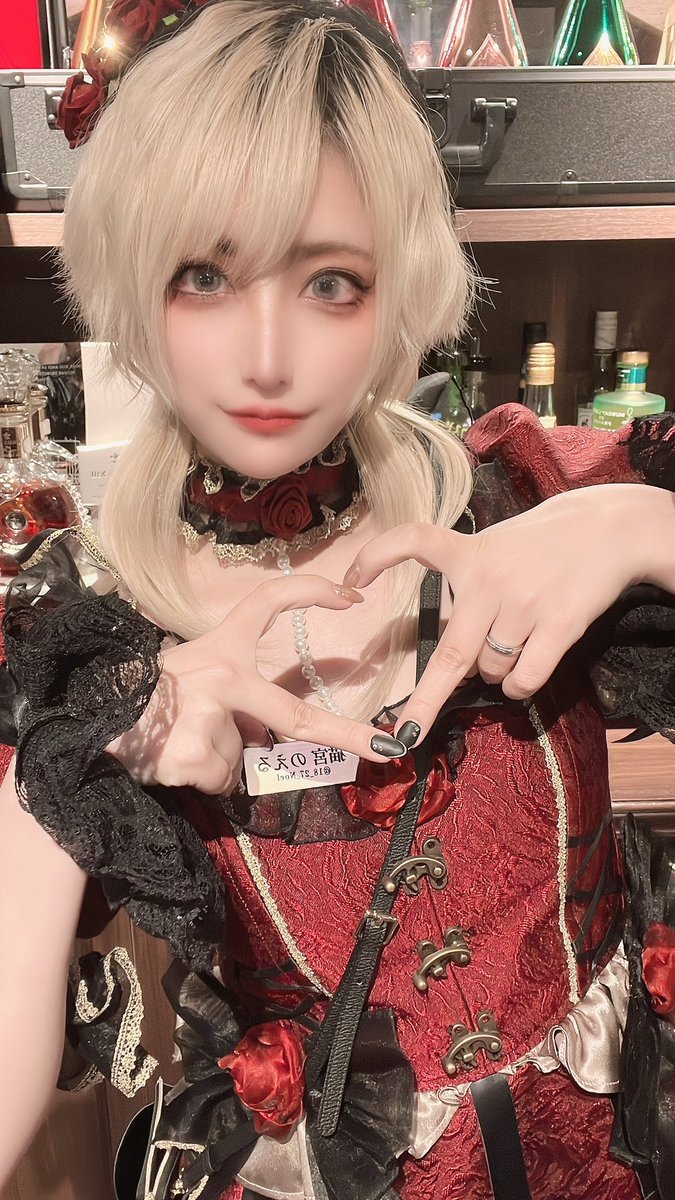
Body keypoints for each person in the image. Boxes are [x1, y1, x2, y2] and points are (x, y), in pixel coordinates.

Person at [0, 2, 674, 1197]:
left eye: (329, 281)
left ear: (398, 287)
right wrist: (66, 785)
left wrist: (643, 527)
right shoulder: (96, 647)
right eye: (205, 275)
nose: (267, 356)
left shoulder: (533, 496)